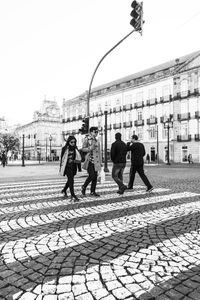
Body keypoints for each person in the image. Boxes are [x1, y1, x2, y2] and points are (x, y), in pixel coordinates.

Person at [60, 136, 81, 202]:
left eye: (74, 142)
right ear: (68, 142)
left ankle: (64, 190)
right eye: (71, 142)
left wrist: (78, 167)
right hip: (67, 167)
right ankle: (73, 195)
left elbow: (78, 158)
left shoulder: (75, 148)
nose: (73, 143)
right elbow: (62, 159)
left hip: (73, 167)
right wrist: (61, 168)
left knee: (70, 180)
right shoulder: (64, 149)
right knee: (71, 181)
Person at [81, 126, 102, 197]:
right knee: (91, 175)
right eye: (95, 132)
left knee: (95, 177)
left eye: (97, 132)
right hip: (89, 160)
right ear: (91, 132)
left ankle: (93, 191)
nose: (96, 133)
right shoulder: (87, 139)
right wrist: (90, 148)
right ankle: (84, 186)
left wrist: (100, 162)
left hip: (96, 161)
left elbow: (99, 152)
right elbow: (83, 149)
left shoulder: (97, 140)